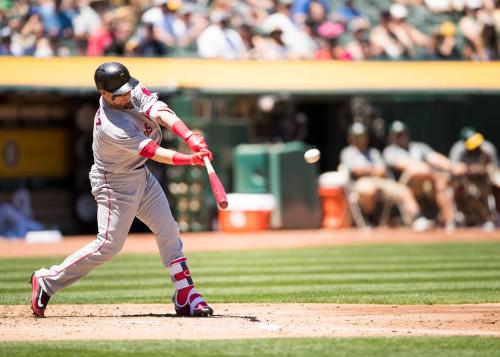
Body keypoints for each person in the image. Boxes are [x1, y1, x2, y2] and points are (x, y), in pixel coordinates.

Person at [30, 62, 214, 318]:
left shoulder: (130, 89)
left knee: (168, 229)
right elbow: (154, 152)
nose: (127, 96)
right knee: (108, 245)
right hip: (114, 183)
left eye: (128, 90)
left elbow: (160, 112)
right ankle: (47, 280)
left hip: (140, 175)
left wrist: (189, 137)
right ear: (103, 94)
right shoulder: (110, 125)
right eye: (119, 94)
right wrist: (189, 159)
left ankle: (186, 294)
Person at [340, 122, 432, 230]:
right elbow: (357, 171)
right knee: (369, 190)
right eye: (356, 137)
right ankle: (369, 220)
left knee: (404, 190)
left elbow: (382, 170)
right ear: (350, 138)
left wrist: (369, 170)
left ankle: (417, 219)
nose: (360, 139)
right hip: (361, 182)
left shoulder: (373, 152)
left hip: (380, 181)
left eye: (362, 136)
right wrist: (371, 170)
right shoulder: (347, 152)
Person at [383, 121, 464, 231]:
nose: (400, 137)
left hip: (426, 183)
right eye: (397, 135)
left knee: (441, 184)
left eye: (402, 133)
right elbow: (407, 166)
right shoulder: (390, 151)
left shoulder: (418, 147)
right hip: (403, 184)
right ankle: (417, 218)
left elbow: (435, 158)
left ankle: (450, 220)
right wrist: (435, 173)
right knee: (417, 172)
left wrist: (452, 166)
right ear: (392, 137)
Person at [449, 127, 499, 229]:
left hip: (485, 180)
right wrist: (470, 170)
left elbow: (494, 169)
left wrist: (473, 169)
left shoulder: (487, 148)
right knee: (453, 184)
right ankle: (457, 217)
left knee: (498, 182)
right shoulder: (458, 149)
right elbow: (455, 169)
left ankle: (495, 216)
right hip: (465, 181)